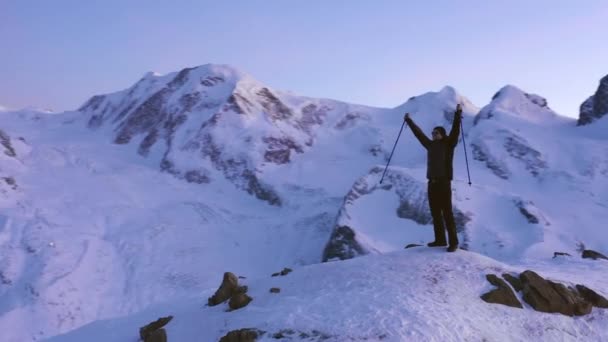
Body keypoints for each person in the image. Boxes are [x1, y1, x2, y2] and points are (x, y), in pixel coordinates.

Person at [404, 104, 463, 252]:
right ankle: (440, 240)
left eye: (436, 133)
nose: (433, 135)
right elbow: (419, 134)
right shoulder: (430, 145)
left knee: (447, 213)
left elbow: (455, 131)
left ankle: (453, 243)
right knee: (435, 212)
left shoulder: (449, 145)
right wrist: (409, 121)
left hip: (444, 183)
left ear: (442, 134)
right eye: (432, 133)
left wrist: (458, 113)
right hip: (432, 183)